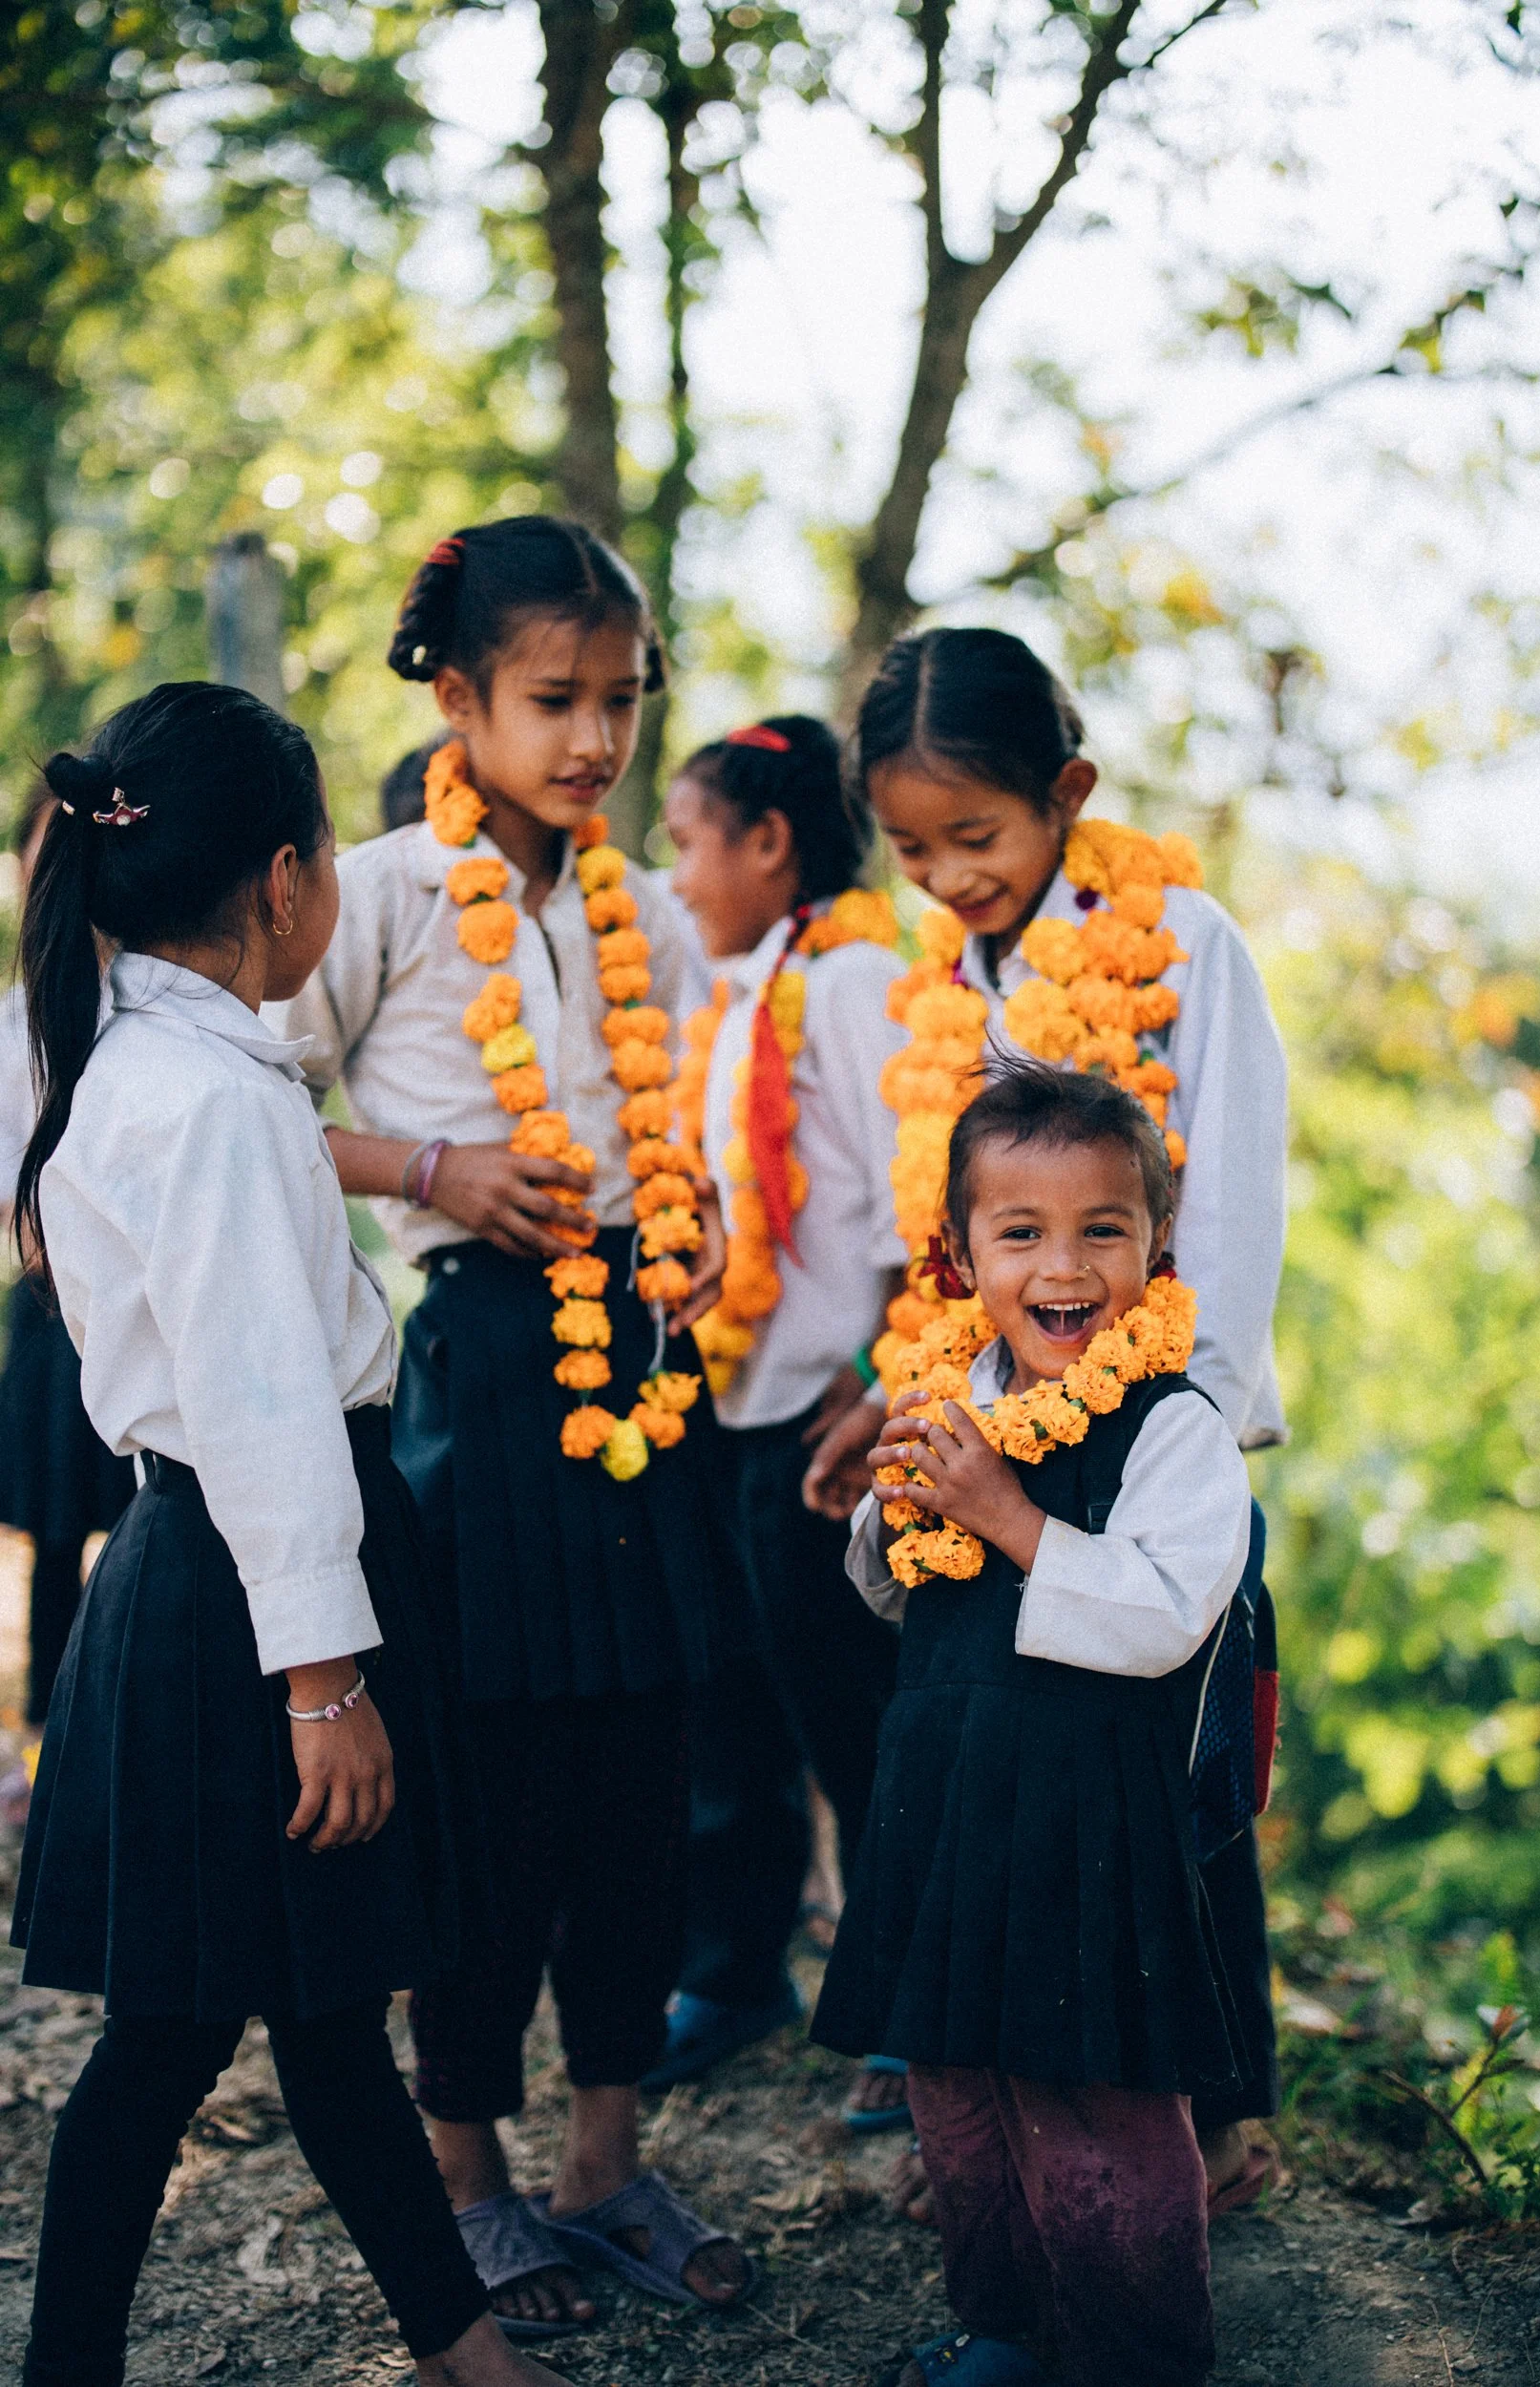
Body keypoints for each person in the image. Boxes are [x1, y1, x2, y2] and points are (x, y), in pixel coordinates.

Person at [9, 682, 563, 2387]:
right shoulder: (216, 1101)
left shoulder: (121, 1052)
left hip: (205, 1582)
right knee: (173, 2038)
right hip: (257, 1602)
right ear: (286, 882)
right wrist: (326, 1683)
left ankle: (464, 2351)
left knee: (322, 2010)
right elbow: (259, 1405)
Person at [279, 514, 749, 2339]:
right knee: (495, 1801)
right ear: (460, 697)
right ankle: (469, 2178)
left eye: (622, 700)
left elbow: (672, 1122)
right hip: (478, 1383)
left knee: (652, 1788)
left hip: (641, 1372)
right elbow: (254, 1110)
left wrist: (689, 1230)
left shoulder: (636, 911)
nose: (594, 740)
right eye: (554, 698)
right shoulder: (383, 894)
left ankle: (606, 2159)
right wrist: (433, 1170)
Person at [807, 626, 1285, 2198]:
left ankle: (1210, 2128)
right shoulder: (952, 982)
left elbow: (1225, 1201)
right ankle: (990, 2056)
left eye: (979, 836)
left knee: (1164, 1783)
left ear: (1067, 792)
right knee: (1001, 1763)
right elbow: (958, 1228)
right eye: (914, 847)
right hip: (992, 1406)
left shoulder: (1178, 940)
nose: (947, 874)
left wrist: (1177, 1420)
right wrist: (906, 1390)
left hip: (1145, 1428)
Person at [813, 1058, 1252, 2387]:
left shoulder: (1174, 1429)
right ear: (959, 1255)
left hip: (1083, 1818)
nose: (1062, 1265)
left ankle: (1132, 2350)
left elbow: (1165, 1614)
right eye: (1019, 1233)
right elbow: (884, 1589)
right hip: (943, 1796)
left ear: (1155, 1240)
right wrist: (893, 1519)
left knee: (1093, 2109)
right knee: (953, 2087)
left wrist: (1006, 1517)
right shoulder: (955, 1395)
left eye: (1100, 1229)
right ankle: (1000, 2323)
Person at [646, 717, 906, 2116]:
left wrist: (876, 1377)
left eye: (687, 839)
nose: (672, 871)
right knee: (730, 1708)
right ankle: (736, 1972)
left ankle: (904, 2011)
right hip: (730, 1401)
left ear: (767, 841)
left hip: (828, 1419)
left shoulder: (857, 979)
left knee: (849, 1723)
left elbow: (910, 1200)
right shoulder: (748, 983)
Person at [0, 779, 134, 1730]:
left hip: (145, 1294)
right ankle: (46, 1733)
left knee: (141, 1515)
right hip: (51, 1301)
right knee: (55, 1533)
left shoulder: (147, 997)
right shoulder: (9, 1022)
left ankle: (123, 1718)